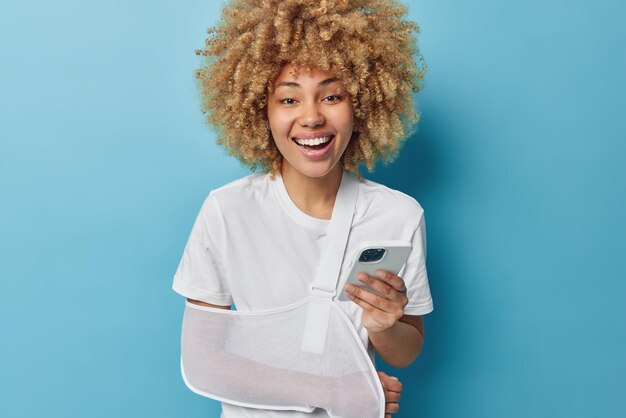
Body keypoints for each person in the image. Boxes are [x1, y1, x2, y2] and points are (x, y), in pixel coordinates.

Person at [172, 1, 433, 417]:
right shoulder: (228, 210)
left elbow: (406, 352)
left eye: (332, 95)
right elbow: (204, 363)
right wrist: (336, 391)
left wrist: (384, 326)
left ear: (362, 103)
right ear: (261, 110)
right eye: (289, 99)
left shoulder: (398, 215)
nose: (311, 117)